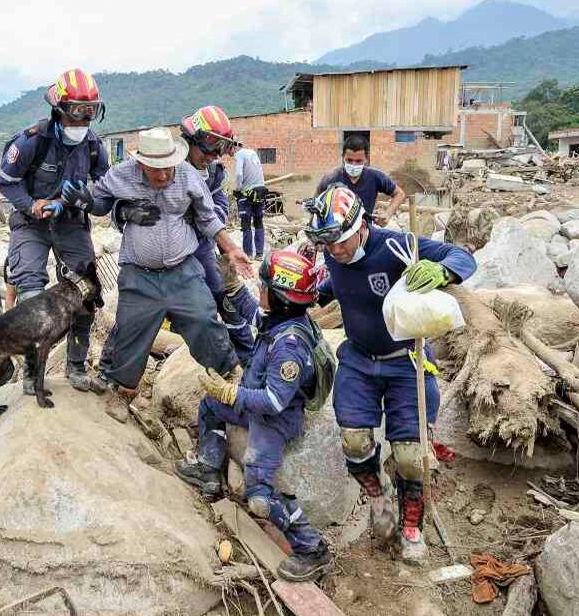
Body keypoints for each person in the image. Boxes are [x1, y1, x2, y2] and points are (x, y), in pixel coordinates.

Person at [304, 186, 476, 564]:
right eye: (328, 244)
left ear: (361, 226)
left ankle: (412, 523)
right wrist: (315, 291)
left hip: (406, 361)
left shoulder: (396, 246)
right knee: (354, 441)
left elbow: (462, 257)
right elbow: (341, 284)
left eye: (341, 241)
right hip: (358, 360)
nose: (335, 250)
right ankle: (378, 496)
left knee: (412, 456)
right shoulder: (334, 253)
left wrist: (441, 270)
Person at [175, 251, 332, 581]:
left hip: (274, 421)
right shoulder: (282, 320)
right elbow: (254, 315)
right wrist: (233, 287)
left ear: (280, 298)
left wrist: (231, 393)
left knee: (259, 497)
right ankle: (208, 469)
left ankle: (312, 548)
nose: (259, 289)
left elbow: (274, 401)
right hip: (255, 402)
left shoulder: (290, 346)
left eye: (264, 286)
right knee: (210, 407)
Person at [66, 126, 252, 394]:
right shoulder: (122, 175)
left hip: (182, 271)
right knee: (129, 330)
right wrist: (88, 201)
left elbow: (208, 217)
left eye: (168, 168)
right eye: (156, 169)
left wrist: (231, 248)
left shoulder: (188, 175)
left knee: (204, 320)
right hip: (139, 275)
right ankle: (115, 388)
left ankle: (230, 376)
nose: (164, 175)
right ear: (141, 164)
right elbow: (99, 201)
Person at [0, 68, 110, 393]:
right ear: (59, 110)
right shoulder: (32, 141)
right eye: (77, 111)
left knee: (86, 292)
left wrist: (85, 199)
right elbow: (6, 182)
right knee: (31, 293)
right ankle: (33, 372)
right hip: (31, 223)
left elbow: (106, 192)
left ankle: (76, 365)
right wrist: (31, 204)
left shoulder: (93, 146)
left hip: (70, 222)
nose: (83, 120)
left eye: (90, 112)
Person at [178, 106, 256, 365]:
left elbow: (220, 202)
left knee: (222, 295)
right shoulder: (169, 166)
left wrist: (210, 219)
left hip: (202, 246)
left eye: (217, 151)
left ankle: (246, 357)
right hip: (169, 251)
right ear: (191, 140)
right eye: (208, 150)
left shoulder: (213, 171)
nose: (211, 157)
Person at [314, 135, 407, 226]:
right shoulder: (331, 178)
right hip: (336, 232)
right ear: (343, 157)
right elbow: (315, 203)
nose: (353, 165)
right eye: (349, 160)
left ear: (366, 158)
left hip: (365, 231)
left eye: (358, 161)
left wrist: (388, 214)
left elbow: (399, 194)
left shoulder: (375, 177)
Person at [232, 146, 267, 259]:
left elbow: (239, 174)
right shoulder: (253, 153)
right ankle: (259, 254)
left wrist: (238, 189)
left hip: (247, 193)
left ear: (234, 148)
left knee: (246, 223)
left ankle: (248, 254)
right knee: (258, 221)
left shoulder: (239, 155)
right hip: (260, 190)